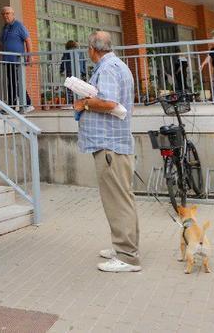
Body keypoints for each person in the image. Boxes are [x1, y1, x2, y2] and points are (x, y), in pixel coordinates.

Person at [73, 31, 140, 273]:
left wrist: (85, 103)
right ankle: (124, 246)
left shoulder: (109, 68)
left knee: (118, 201)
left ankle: (127, 256)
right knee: (121, 198)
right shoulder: (114, 65)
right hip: (113, 144)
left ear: (92, 48)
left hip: (110, 145)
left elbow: (110, 103)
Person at [0, 6, 33, 113]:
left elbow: (28, 40)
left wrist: (29, 56)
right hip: (7, 60)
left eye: (7, 13)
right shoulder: (5, 27)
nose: (5, 16)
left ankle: (27, 104)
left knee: (17, 82)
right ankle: (12, 107)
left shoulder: (19, 26)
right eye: (3, 14)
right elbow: (2, 43)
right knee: (12, 83)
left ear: (13, 14)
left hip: (17, 60)